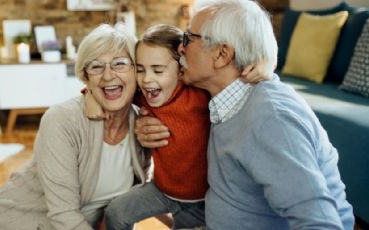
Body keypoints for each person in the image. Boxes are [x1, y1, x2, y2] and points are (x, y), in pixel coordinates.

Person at [136, 0, 355, 229]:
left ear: (222, 54)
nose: (181, 48)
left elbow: (321, 223)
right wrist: (142, 122)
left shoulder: (271, 120)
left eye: (189, 39)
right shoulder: (218, 93)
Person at [0, 24, 152, 230]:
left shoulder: (143, 125)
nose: (108, 75)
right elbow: (64, 215)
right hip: (13, 223)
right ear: (86, 78)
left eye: (120, 64)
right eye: (96, 66)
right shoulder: (62, 120)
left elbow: (124, 205)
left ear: (137, 71)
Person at [85, 24, 273, 229]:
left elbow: (239, 79)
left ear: (182, 71)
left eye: (158, 70)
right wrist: (90, 96)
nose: (147, 80)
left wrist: (267, 63)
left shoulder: (199, 94)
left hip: (203, 200)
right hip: (162, 191)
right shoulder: (144, 96)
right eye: (140, 70)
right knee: (115, 212)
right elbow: (109, 90)